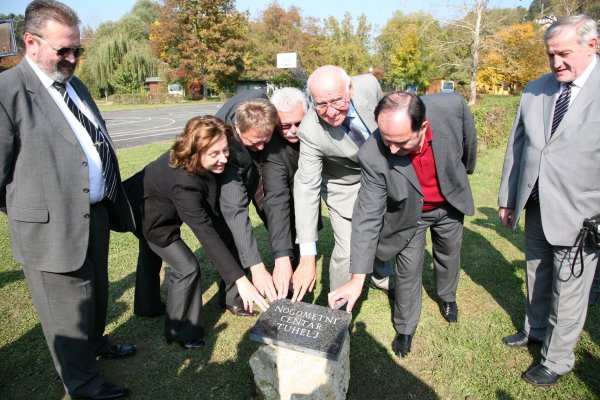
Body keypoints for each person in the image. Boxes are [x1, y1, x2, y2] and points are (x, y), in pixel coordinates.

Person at [0, 1, 136, 399]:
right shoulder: (8, 92)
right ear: (30, 42)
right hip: (50, 226)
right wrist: (33, 214)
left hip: (92, 213)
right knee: (65, 314)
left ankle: (96, 345)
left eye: (78, 50)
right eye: (64, 50)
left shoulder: (74, 85)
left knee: (94, 295)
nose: (73, 58)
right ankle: (84, 385)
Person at [328, 91, 477, 358]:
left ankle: (447, 297)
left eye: (401, 143)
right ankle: (405, 327)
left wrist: (460, 175)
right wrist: (357, 277)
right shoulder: (372, 154)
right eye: (388, 142)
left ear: (423, 127)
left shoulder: (451, 106)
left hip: (449, 203)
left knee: (449, 253)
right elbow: (367, 215)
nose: (393, 150)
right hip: (410, 215)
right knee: (408, 271)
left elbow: (468, 144)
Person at [498, 14, 599, 386]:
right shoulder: (535, 89)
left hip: (584, 214)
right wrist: (509, 199)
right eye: (550, 55)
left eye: (564, 54)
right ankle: (535, 329)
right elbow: (517, 146)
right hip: (537, 203)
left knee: (569, 288)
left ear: (593, 45)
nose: (556, 63)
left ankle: (556, 360)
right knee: (536, 272)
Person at [125, 116, 268, 349]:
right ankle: (180, 330)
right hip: (149, 216)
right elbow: (205, 233)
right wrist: (241, 281)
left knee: (149, 253)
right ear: (195, 151)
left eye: (225, 150)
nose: (223, 158)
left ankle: (147, 306)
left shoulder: (200, 159)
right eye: (215, 154)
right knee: (186, 267)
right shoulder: (184, 184)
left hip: (153, 201)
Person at [293, 65, 393, 299]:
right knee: (347, 249)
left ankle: (382, 276)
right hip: (344, 184)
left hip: (381, 174)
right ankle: (337, 312)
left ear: (350, 88)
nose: (330, 111)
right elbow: (306, 187)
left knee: (384, 230)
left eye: (337, 101)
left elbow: (386, 117)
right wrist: (307, 257)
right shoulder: (310, 131)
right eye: (320, 104)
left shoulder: (369, 84)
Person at [216, 92, 280, 312]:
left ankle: (287, 266)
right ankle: (233, 294)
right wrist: (257, 266)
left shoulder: (264, 105)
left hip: (259, 168)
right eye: (254, 142)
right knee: (230, 230)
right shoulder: (227, 144)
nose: (261, 146)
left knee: (276, 213)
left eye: (266, 140)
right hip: (230, 170)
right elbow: (236, 212)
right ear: (237, 127)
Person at [261, 87, 321, 300]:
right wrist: (282, 257)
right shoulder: (272, 151)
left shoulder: (318, 123)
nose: (293, 131)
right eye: (285, 125)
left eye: (299, 123)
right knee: (288, 227)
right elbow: (277, 202)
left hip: (310, 183)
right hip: (284, 185)